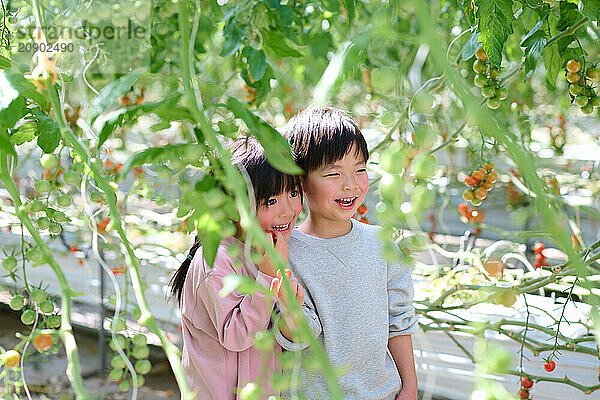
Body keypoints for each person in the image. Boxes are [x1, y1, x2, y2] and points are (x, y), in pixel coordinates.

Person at [276, 106, 418, 400]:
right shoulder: (285, 254)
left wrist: (409, 387)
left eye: (360, 170)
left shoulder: (383, 245)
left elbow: (399, 320)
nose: (351, 184)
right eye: (333, 173)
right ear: (300, 180)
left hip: (384, 394)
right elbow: (293, 338)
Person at [169, 135, 305, 400]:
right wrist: (266, 277)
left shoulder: (265, 247)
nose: (287, 211)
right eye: (271, 201)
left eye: (293, 193)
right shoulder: (216, 261)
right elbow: (236, 336)